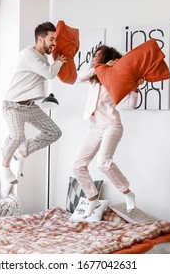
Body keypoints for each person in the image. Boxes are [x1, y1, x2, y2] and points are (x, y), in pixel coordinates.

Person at [72, 45, 143, 216]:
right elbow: (78, 77)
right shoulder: (93, 76)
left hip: (112, 125)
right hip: (94, 127)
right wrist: (100, 68)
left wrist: (134, 87)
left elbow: (131, 104)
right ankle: (92, 198)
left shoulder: (117, 78)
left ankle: (127, 193)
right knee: (77, 166)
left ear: (108, 57)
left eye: (98, 55)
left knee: (103, 163)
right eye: (94, 55)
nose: (94, 57)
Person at [1, 22, 67, 190]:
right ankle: (5, 165)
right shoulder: (29, 55)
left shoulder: (43, 56)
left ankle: (22, 152)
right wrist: (59, 61)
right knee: (17, 136)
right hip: (13, 105)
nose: (54, 43)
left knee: (54, 132)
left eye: (55, 39)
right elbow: (49, 73)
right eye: (51, 39)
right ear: (40, 39)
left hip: (30, 106)